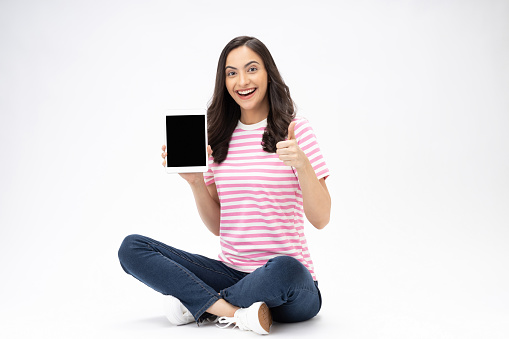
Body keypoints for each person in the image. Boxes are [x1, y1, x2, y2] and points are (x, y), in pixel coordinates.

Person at [118, 36, 331, 335]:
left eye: (252, 69)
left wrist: (302, 164)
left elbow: (321, 219)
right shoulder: (219, 138)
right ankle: (234, 312)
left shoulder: (295, 130)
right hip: (229, 274)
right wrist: (195, 183)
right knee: (132, 247)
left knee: (285, 267)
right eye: (231, 73)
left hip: (290, 286)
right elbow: (220, 226)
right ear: (224, 81)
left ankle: (199, 305)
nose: (241, 81)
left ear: (268, 73)